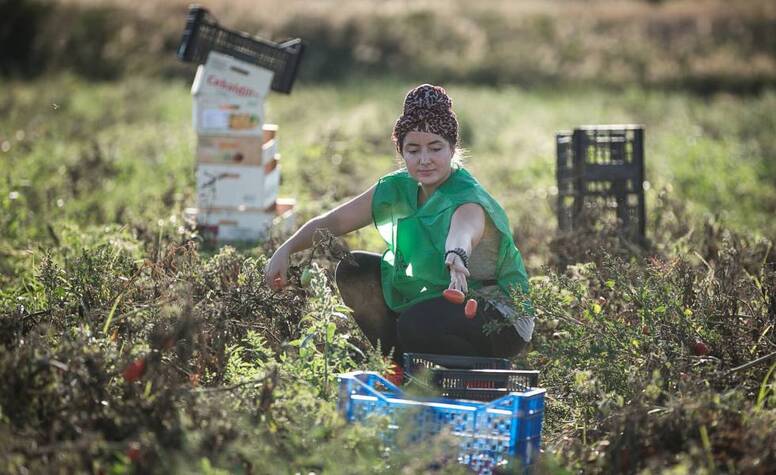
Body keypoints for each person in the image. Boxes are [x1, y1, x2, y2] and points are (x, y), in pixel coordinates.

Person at [264, 84, 533, 365]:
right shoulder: (397, 188)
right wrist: (286, 248)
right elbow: (334, 221)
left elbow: (464, 229)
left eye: (435, 148)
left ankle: (455, 381)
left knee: (415, 324)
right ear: (401, 151)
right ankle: (398, 368)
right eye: (413, 149)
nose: (424, 159)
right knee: (355, 270)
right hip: (443, 299)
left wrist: (457, 255)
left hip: (500, 318)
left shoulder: (467, 197)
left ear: (452, 149)